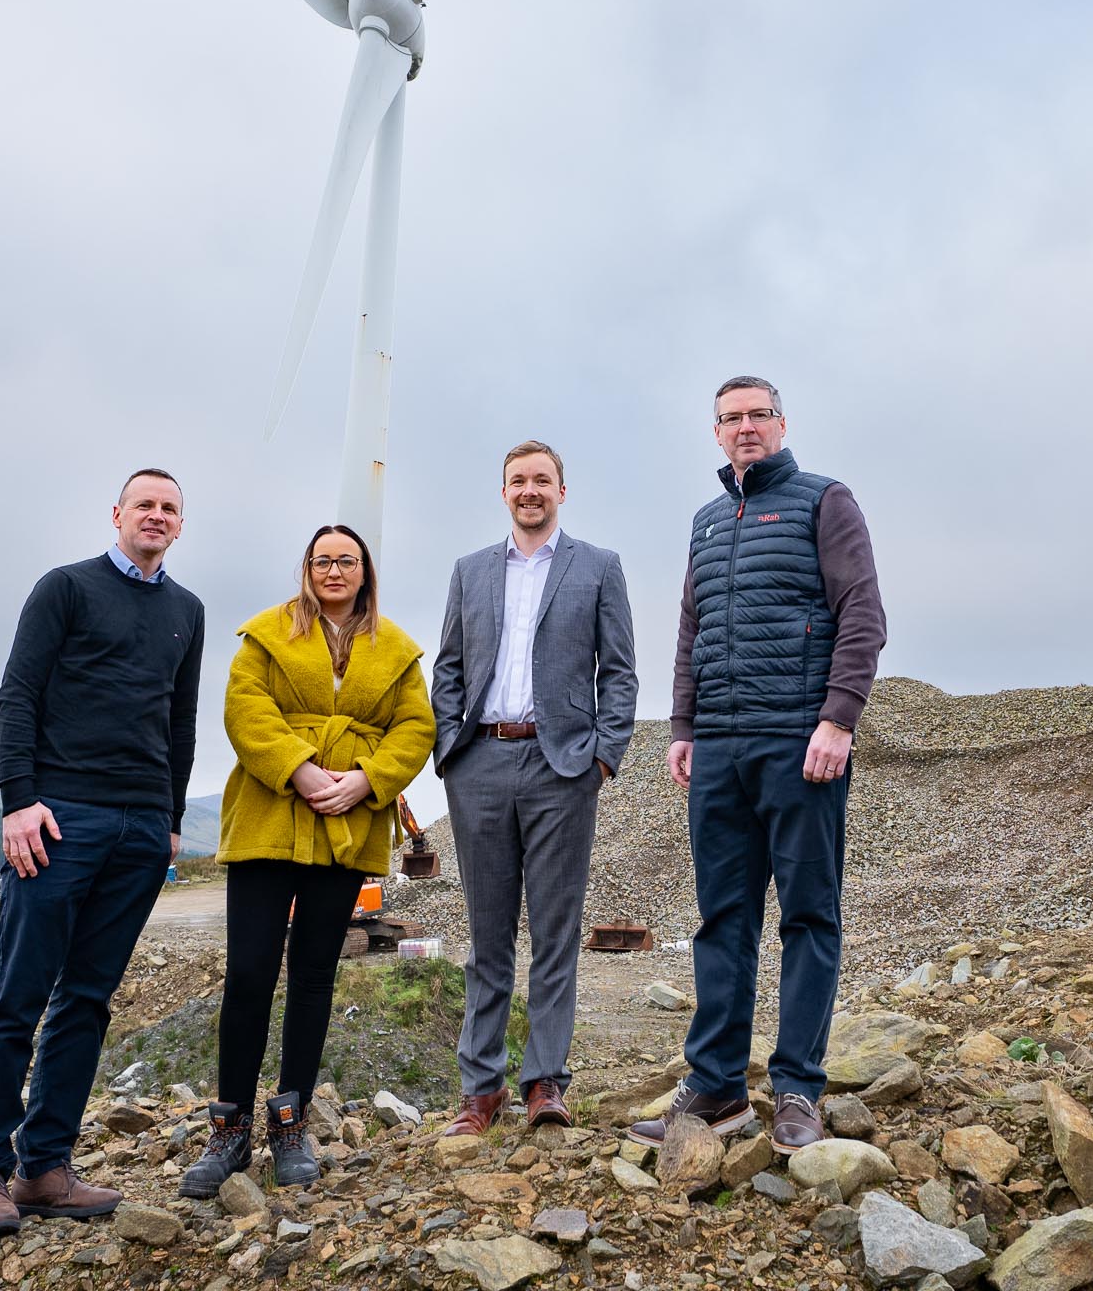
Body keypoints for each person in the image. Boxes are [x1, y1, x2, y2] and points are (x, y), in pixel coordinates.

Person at [628, 376, 886, 1156]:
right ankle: (715, 1087)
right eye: (730, 418)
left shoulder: (823, 500)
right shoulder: (707, 523)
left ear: (782, 424)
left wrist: (838, 719)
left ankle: (799, 1086)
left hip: (799, 746)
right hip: (719, 752)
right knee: (722, 919)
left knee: (808, 916)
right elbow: (689, 630)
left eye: (758, 416)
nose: (745, 428)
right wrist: (683, 726)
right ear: (715, 434)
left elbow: (864, 617)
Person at [0, 470, 203, 1239]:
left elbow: (181, 720)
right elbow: (17, 696)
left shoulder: (187, 611)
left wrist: (167, 820)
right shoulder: (64, 588)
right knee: (16, 995)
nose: (156, 516)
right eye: (145, 505)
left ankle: (46, 1168)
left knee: (88, 999)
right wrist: (18, 801)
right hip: (58, 819)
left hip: (138, 832)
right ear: (118, 514)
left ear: (180, 525)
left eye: (170, 508)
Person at [180, 524, 435, 1195]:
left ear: (364, 570)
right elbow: (245, 708)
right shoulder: (267, 633)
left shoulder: (397, 650)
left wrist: (368, 779)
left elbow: (417, 726)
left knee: (315, 972)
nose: (333, 570)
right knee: (250, 971)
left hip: (345, 825)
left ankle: (289, 1124)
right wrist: (296, 767)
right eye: (322, 560)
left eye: (345, 560)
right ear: (307, 568)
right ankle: (229, 1129)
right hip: (269, 815)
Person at [429, 440, 637, 1135]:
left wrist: (603, 756)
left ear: (561, 491)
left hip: (562, 770)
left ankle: (545, 1082)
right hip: (480, 764)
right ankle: (479, 1091)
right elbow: (449, 667)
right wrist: (449, 751)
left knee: (554, 933)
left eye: (541, 480)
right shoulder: (469, 571)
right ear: (503, 492)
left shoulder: (599, 568)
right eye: (518, 480)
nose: (530, 490)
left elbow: (621, 672)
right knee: (487, 940)